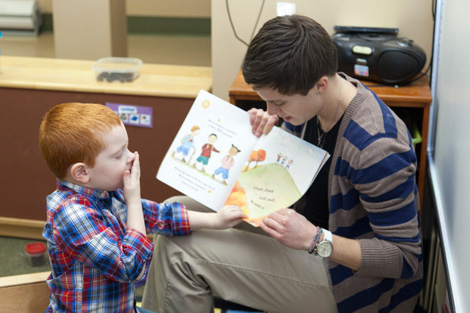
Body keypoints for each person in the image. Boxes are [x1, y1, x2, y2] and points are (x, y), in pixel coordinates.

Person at [141, 15, 422, 313]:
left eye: (280, 103)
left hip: (349, 283)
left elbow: (403, 257)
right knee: (175, 213)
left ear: (320, 85)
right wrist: (269, 138)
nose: (270, 110)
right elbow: (300, 179)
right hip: (304, 232)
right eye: (266, 102)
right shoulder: (315, 104)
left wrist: (315, 240)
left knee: (180, 251)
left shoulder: (376, 146)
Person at [38, 102, 246, 313]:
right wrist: (134, 200)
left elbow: (158, 215)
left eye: (127, 147)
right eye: (118, 155)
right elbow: (130, 267)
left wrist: (215, 221)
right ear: (82, 173)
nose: (132, 156)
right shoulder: (72, 214)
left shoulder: (106, 192)